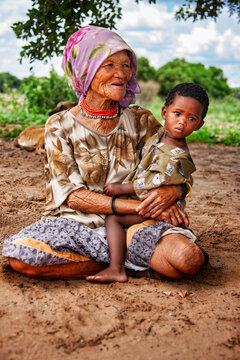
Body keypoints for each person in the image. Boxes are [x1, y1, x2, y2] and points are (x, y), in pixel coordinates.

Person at [2, 26, 206, 280]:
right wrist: (141, 206)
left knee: (188, 260)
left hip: (134, 222)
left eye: (125, 65)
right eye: (108, 65)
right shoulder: (59, 125)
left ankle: (118, 257)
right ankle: (117, 259)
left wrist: (175, 190)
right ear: (85, 71)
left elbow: (178, 163)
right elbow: (73, 197)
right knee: (21, 258)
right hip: (77, 222)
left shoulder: (141, 120)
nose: (121, 73)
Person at [86, 83, 209, 282]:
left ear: (199, 125)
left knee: (113, 219)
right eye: (177, 113)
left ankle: (116, 267)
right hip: (147, 204)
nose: (182, 122)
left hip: (155, 208)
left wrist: (121, 188)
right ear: (164, 111)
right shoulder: (159, 136)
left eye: (191, 118)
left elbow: (152, 184)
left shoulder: (176, 155)